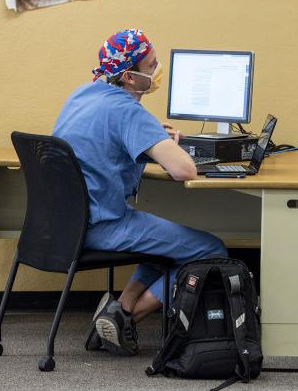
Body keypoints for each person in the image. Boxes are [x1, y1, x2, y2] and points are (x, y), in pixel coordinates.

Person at [52, 29, 227, 355]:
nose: (158, 69)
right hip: (102, 225)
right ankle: (124, 317)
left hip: (64, 222)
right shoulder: (127, 112)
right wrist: (158, 141)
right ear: (130, 77)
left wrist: (148, 137)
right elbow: (184, 170)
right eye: (152, 63)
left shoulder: (83, 93)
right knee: (210, 248)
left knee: (166, 243)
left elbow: (105, 138)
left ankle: (120, 306)